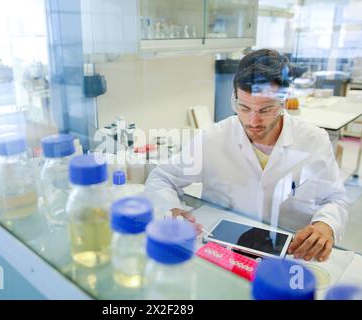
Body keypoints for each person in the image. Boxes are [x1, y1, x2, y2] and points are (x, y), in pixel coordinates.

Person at [144, 49, 348, 262]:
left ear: (284, 102)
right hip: (221, 252)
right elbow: (161, 178)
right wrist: (170, 210)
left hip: (288, 255)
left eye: (265, 110)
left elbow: (335, 198)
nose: (253, 121)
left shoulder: (313, 140)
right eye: (243, 107)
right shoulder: (213, 138)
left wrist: (326, 226)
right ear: (234, 99)